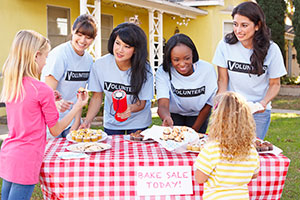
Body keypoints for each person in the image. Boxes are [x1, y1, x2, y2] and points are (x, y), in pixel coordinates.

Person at [0, 30, 88, 200]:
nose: (46, 62)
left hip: (9, 153)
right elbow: (55, 130)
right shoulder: (41, 89)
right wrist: (77, 106)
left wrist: (49, 100)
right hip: (27, 157)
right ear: (36, 56)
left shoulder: (13, 84)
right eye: (46, 57)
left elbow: (28, 111)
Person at [212, 1, 286, 139]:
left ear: (257, 26)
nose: (238, 30)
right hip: (231, 109)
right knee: (226, 152)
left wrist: (263, 103)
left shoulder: (272, 49)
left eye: (244, 25)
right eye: (235, 24)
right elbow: (222, 80)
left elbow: (275, 84)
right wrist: (220, 103)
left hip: (258, 112)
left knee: (252, 153)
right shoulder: (225, 45)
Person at [80, 22, 154, 135]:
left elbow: (142, 103)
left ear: (135, 49)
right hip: (112, 121)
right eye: (117, 43)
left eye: (127, 46)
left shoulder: (145, 68)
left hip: (138, 121)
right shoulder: (100, 65)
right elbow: (96, 97)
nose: (120, 50)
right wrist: (87, 121)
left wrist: (129, 108)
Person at [194, 91, 260, 199]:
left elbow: (199, 179)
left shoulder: (212, 149)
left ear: (217, 119)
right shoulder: (251, 150)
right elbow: (254, 174)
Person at [41, 14, 97, 138]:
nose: (82, 41)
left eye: (88, 37)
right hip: (51, 121)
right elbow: (47, 92)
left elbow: (80, 94)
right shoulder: (60, 55)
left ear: (93, 39)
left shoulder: (88, 60)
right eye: (79, 35)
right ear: (72, 31)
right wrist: (57, 103)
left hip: (71, 119)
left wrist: (76, 121)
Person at [156, 33, 217, 133]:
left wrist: (194, 130)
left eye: (187, 58)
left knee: (195, 144)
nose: (182, 64)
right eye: (176, 60)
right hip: (173, 114)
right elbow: (162, 104)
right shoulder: (163, 72)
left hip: (199, 114)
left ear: (193, 54)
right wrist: (166, 117)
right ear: (169, 58)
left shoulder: (207, 70)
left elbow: (209, 103)